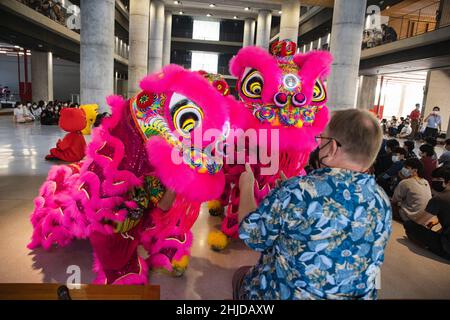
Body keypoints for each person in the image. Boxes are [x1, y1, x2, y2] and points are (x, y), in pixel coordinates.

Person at [232, 109, 391, 300]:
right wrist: (291, 193)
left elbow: (251, 235)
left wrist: (247, 186)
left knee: (242, 276)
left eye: (321, 139)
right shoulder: (382, 200)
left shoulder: (299, 191)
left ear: (332, 147)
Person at [403, 167, 450, 261]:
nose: (435, 182)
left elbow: (420, 221)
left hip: (447, 248)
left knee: (409, 225)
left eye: (438, 180)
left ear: (448, 181)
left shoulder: (439, 198)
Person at [391, 158, 432, 225]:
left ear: (415, 170)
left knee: (387, 204)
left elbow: (394, 200)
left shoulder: (405, 182)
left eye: (406, 167)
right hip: (423, 219)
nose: (403, 169)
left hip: (410, 217)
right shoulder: (425, 181)